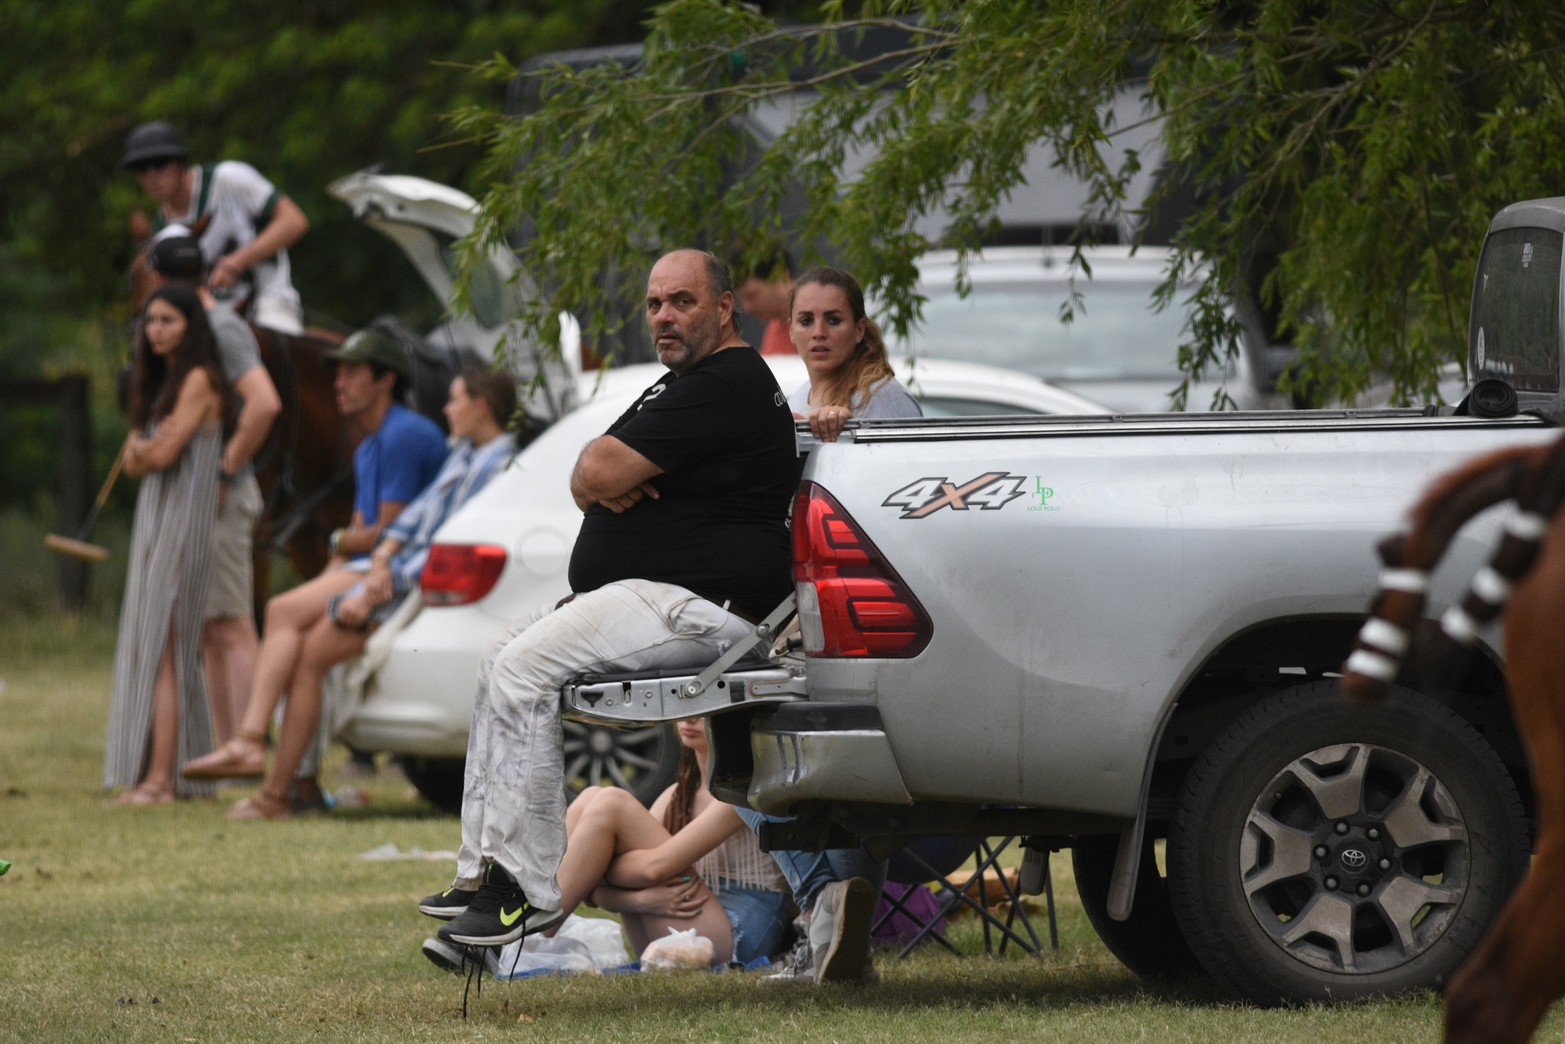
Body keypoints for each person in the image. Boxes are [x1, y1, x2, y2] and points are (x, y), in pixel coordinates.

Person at [417, 249, 815, 957]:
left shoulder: (723, 381)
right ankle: (481, 873)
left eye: (682, 301)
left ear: (724, 308)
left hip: (694, 604)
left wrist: (602, 478)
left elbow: (599, 468)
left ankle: (524, 892)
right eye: (655, 303)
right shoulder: (684, 383)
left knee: (522, 670)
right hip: (650, 596)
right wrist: (596, 479)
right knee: (497, 659)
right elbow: (585, 473)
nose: (663, 315)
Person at [179, 328, 449, 817]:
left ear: (386, 379)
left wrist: (338, 543)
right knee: (301, 653)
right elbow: (357, 541)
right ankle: (284, 792)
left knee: (281, 609)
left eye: (351, 372)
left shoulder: (405, 435)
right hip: (373, 570)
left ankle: (249, 741)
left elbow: (387, 534)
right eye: (337, 372)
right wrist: (332, 569)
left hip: (404, 580)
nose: (338, 383)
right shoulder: (370, 445)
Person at [423, 718, 793, 973]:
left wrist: (603, 870)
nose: (691, 718)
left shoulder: (739, 794)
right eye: (687, 705)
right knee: (592, 798)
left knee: (610, 803)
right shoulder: (675, 795)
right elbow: (607, 885)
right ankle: (508, 926)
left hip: (736, 935)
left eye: (708, 709)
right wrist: (638, 899)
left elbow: (654, 869)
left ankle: (509, 936)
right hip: (678, 919)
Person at [144, 229, 282, 749]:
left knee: (231, 623)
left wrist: (224, 471)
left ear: (158, 278)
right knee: (210, 626)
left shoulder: (220, 328)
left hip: (224, 495)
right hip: (204, 497)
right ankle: (227, 747)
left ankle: (243, 748)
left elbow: (264, 403)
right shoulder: (200, 325)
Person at [103, 285, 234, 804]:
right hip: (157, 522)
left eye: (169, 321)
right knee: (154, 645)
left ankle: (162, 779)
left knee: (166, 647)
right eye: (151, 321)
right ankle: (163, 774)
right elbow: (143, 453)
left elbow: (158, 455)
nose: (156, 331)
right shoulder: (163, 384)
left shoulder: (200, 379)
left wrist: (143, 447)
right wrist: (144, 447)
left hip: (183, 524)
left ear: (191, 326)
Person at [121, 119, 309, 334]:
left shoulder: (228, 178)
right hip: (211, 312)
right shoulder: (163, 229)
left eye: (160, 164)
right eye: (141, 169)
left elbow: (294, 221)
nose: (151, 176)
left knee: (275, 349)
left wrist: (237, 262)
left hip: (269, 296)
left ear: (181, 162)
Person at [785, 264, 921, 441]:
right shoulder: (794, 402)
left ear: (859, 329)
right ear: (791, 330)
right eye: (806, 321)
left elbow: (908, 466)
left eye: (833, 320)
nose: (818, 332)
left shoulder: (882, 397)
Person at [732, 241, 796, 357]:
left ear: (780, 275)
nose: (747, 308)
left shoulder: (818, 326)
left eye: (752, 295)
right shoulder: (774, 326)